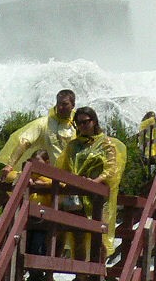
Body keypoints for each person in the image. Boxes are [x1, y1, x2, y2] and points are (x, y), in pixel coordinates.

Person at [57, 107, 126, 261]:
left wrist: (95, 182)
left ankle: (98, 272)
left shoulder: (106, 144)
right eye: (78, 123)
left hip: (97, 196)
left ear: (94, 121)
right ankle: (81, 276)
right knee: (78, 235)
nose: (82, 126)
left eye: (85, 122)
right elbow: (65, 168)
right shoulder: (73, 145)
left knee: (98, 235)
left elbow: (111, 168)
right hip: (76, 195)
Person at [0, 89, 78, 179]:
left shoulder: (79, 124)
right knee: (11, 177)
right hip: (49, 175)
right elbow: (24, 142)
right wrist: (10, 165)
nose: (60, 107)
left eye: (64, 104)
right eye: (58, 103)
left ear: (73, 105)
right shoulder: (44, 123)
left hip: (73, 175)